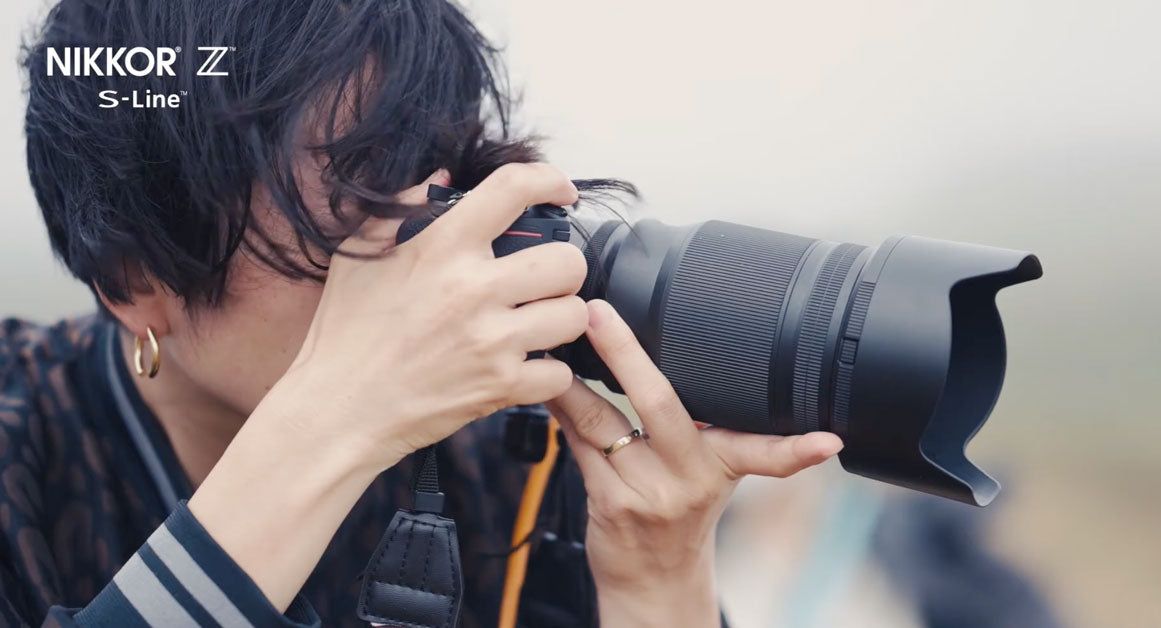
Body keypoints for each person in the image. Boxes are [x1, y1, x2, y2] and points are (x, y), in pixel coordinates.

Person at [4, 1, 844, 626]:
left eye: (433, 186)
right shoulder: (23, 450)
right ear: (134, 277)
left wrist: (658, 579)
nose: (423, 263)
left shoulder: (506, 458)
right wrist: (337, 422)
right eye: (354, 199)